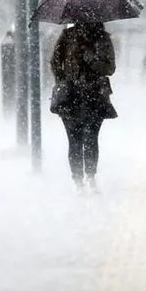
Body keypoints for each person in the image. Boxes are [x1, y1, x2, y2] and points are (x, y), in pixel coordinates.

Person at [50, 22, 117, 193]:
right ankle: (78, 179)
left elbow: (110, 68)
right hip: (71, 97)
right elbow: (55, 62)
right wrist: (64, 80)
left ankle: (90, 175)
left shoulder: (103, 38)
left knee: (91, 138)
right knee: (74, 139)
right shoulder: (68, 36)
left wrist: (92, 60)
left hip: (95, 95)